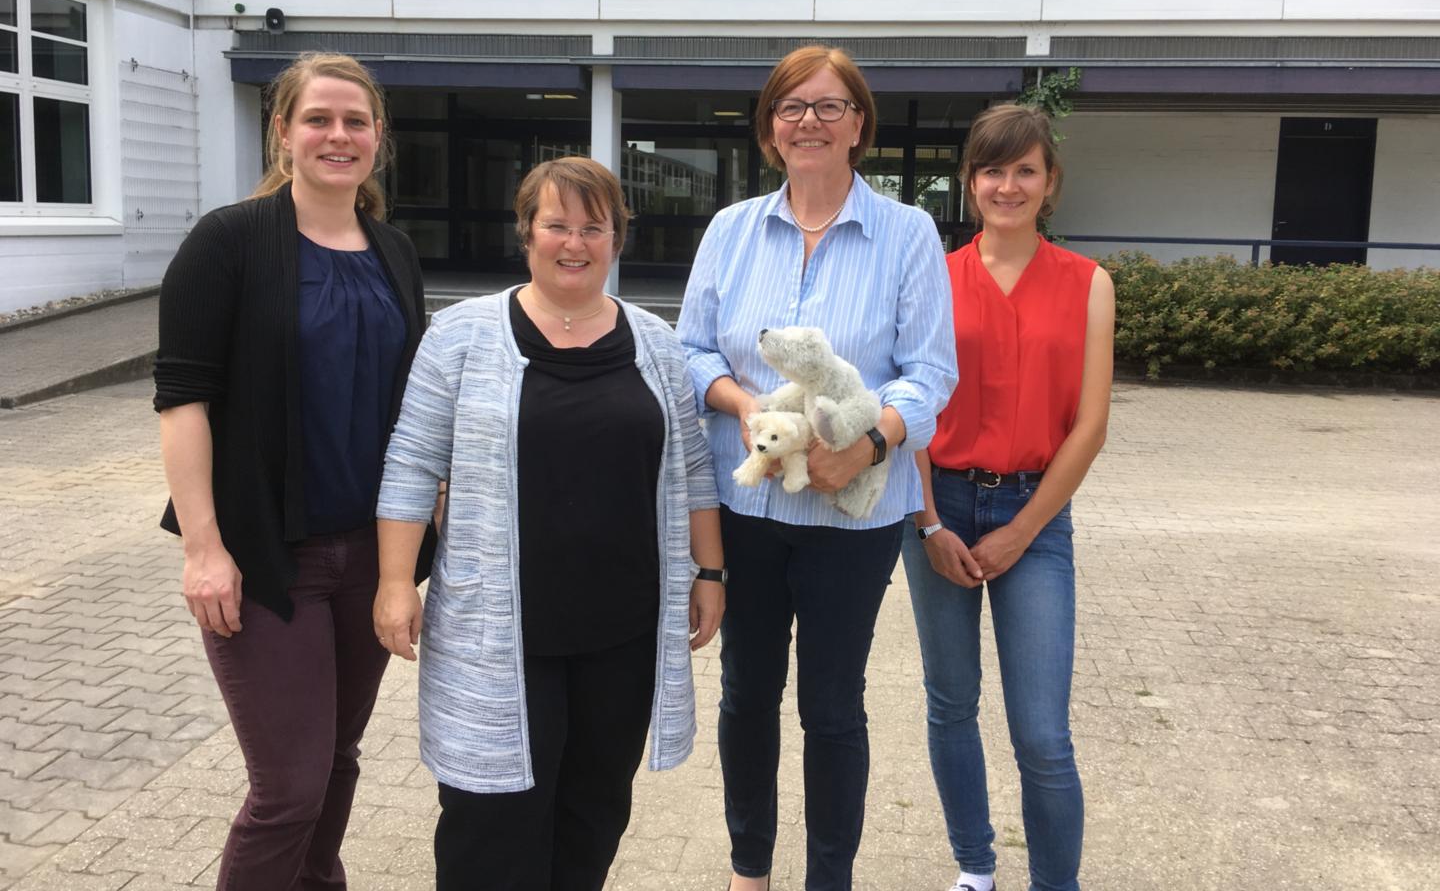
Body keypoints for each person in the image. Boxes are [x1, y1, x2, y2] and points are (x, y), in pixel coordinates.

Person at [371, 157, 724, 891]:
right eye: (557, 223)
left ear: (617, 238)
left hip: (622, 634)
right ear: (526, 233)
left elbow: (694, 468)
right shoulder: (463, 336)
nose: (575, 242)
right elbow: (411, 462)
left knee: (593, 814)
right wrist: (395, 581)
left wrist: (710, 572)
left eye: (594, 226)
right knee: (489, 826)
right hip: (498, 634)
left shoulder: (656, 343)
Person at [677, 45, 958, 890]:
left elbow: (931, 371)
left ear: (858, 126)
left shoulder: (907, 233)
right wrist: (739, 405)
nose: (810, 121)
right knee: (745, 697)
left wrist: (868, 445)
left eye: (829, 106)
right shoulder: (730, 230)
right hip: (750, 507)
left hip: (853, 517)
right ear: (770, 129)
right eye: (792, 107)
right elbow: (689, 348)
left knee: (833, 709)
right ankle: (748, 869)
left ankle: (827, 877)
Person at [154, 52, 430, 889]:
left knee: (338, 761)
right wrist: (204, 549)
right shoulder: (230, 240)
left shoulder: (393, 251)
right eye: (318, 119)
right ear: (283, 132)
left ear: (378, 138)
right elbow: (182, 400)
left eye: (355, 121)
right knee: (288, 788)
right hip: (268, 558)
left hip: (370, 559)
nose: (337, 136)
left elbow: (416, 411)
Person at [903, 103, 1115, 891]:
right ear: (970, 182)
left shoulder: (1089, 285)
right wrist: (926, 523)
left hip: (1036, 515)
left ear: (1049, 182)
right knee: (951, 703)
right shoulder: (933, 276)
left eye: (1025, 169)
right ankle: (976, 868)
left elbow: (1088, 428)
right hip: (936, 508)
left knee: (1042, 733)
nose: (1007, 184)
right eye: (992, 169)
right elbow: (911, 408)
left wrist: (1025, 532)